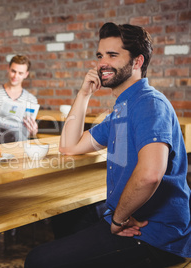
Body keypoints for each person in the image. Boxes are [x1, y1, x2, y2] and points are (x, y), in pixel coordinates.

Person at [25, 22, 191, 267]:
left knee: (37, 260)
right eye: (100, 55)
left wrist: (118, 219)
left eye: (113, 55)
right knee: (67, 219)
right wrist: (83, 94)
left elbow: (150, 176)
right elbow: (69, 146)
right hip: (128, 217)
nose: (103, 63)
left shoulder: (149, 104)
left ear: (137, 62)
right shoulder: (120, 111)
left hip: (154, 236)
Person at [0, 55, 38, 143]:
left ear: (26, 74)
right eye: (13, 71)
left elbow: (32, 133)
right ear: (8, 69)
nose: (15, 76)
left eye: (20, 73)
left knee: (17, 134)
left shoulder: (31, 99)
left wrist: (33, 130)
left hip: (19, 143)